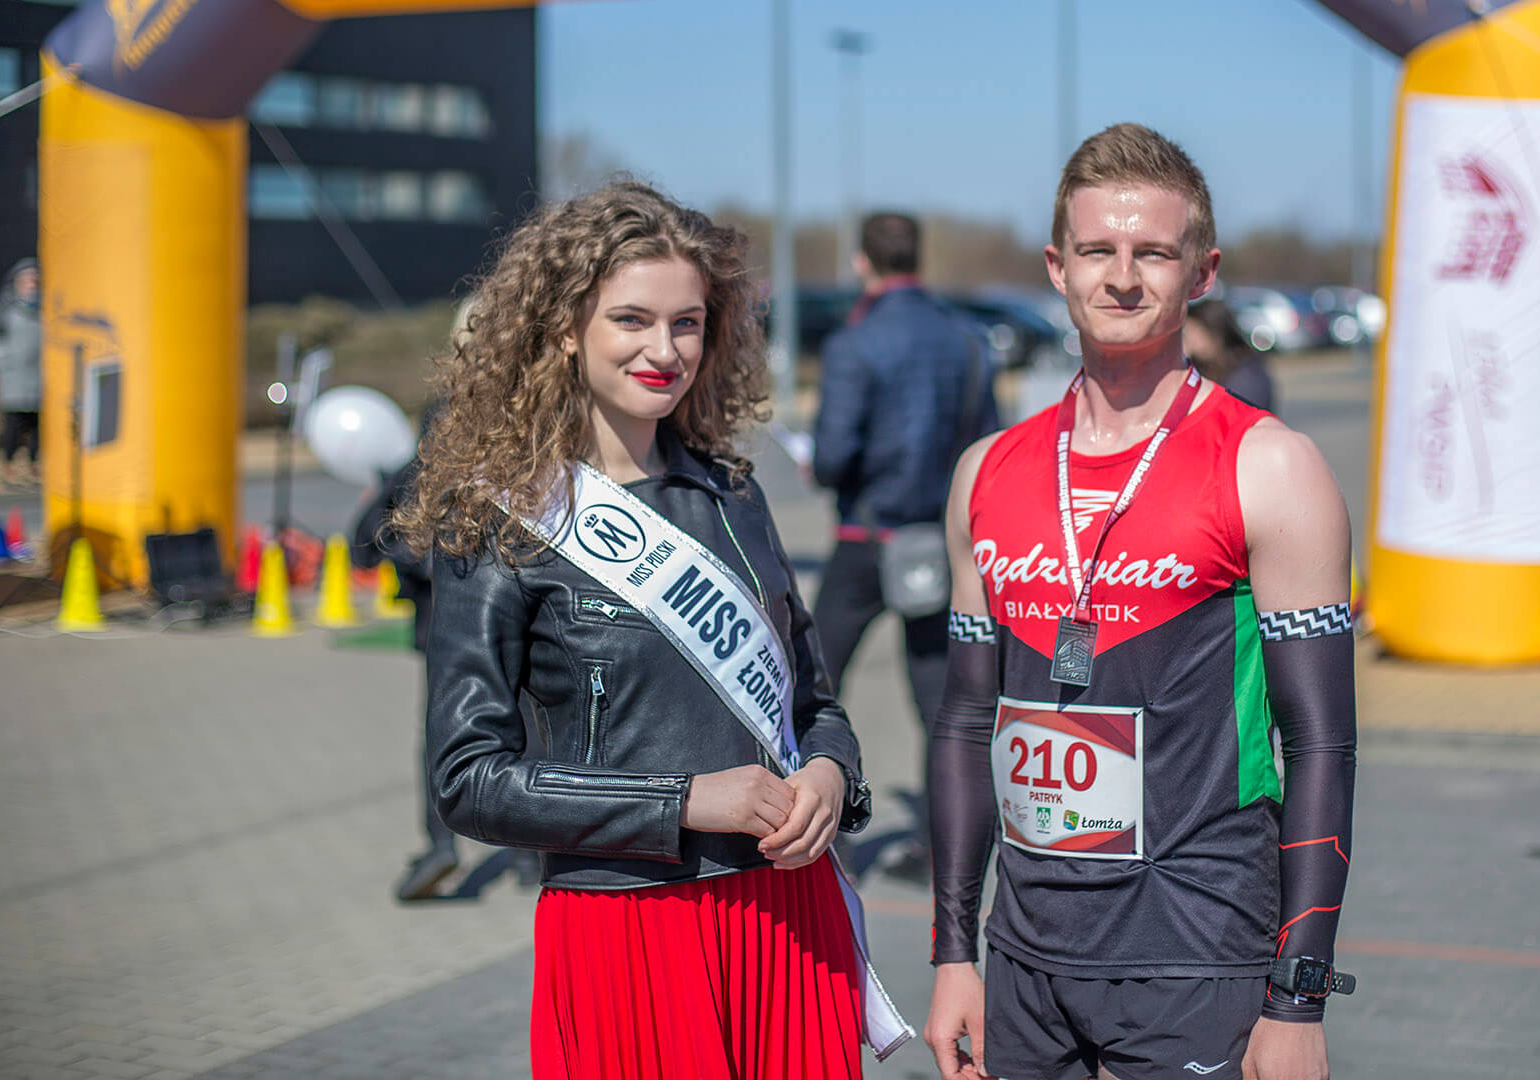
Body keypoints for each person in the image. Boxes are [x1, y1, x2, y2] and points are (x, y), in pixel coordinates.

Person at [394, 181, 882, 1078]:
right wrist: (683, 801)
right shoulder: (502, 521)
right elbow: (468, 781)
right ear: (563, 329)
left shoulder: (733, 495)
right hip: (631, 928)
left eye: (687, 323)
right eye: (632, 320)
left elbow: (815, 701)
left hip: (788, 916)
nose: (665, 350)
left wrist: (828, 774)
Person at [923, 124, 1358, 1080]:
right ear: (1058, 266)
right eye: (1098, 250)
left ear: (1202, 272)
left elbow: (1322, 745)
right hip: (1025, 959)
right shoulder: (985, 472)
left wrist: (1299, 998)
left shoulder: (1271, 466)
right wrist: (955, 954)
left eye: (1153, 253)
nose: (1122, 278)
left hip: (1199, 954)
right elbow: (961, 724)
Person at [811, 211, 1000, 881]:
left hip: (865, 539)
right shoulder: (966, 339)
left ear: (863, 262)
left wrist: (823, 470)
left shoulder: (854, 342)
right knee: (942, 703)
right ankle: (941, 847)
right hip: (938, 541)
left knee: (811, 684)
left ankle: (819, 835)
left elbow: (831, 457)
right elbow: (989, 446)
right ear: (917, 257)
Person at [0, 258, 42, 489]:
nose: (31, 283)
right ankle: (8, 466)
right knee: (14, 424)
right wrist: (3, 360)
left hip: (40, 376)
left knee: (39, 424)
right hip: (14, 377)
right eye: (26, 279)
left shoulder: (46, 308)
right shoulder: (7, 309)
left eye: (35, 279)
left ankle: (34, 465)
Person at [1183, 299, 1275, 413]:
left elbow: (1233, 415)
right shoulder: (1203, 367)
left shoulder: (1245, 375)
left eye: (1193, 333)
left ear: (1215, 334)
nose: (1189, 342)